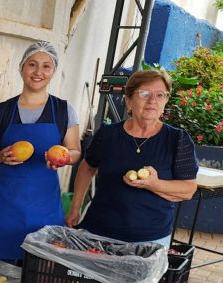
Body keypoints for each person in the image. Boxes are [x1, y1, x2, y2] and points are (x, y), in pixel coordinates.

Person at [0, 41, 81, 262]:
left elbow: (75, 152)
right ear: (22, 67)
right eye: (32, 64)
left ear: (53, 71)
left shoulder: (64, 111)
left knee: (38, 271)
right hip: (2, 208)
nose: (38, 72)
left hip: (44, 209)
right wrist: (1, 156)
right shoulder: (1, 111)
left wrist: (64, 158)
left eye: (46, 66)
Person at [67, 69, 198, 244]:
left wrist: (154, 184)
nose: (152, 100)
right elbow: (87, 168)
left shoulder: (178, 139)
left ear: (166, 101)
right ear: (128, 100)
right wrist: (75, 207)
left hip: (150, 239)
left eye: (160, 95)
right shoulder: (107, 135)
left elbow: (188, 189)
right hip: (99, 231)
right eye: (144, 94)